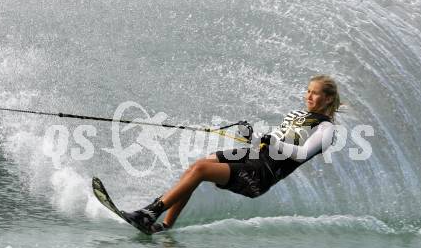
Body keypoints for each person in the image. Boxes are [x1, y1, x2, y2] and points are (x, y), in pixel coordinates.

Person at [121, 75, 340, 234]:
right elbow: (266, 142)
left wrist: (273, 143)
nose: (309, 96)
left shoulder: (326, 129)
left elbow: (301, 154)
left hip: (262, 173)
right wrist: (251, 136)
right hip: (252, 156)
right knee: (197, 166)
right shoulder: (295, 114)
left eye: (315, 93)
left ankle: (149, 213)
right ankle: (164, 225)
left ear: (328, 99)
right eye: (308, 90)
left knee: (200, 170)